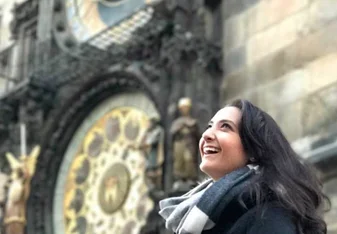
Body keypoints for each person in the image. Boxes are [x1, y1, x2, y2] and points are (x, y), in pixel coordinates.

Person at [159, 99, 328, 234]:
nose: (206, 135)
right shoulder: (205, 216)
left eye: (225, 127)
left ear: (254, 149)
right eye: (209, 126)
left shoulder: (269, 216)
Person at [170, 97, 199, 189]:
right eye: (183, 108)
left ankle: (191, 178)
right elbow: (172, 133)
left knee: (189, 159)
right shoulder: (177, 122)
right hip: (179, 143)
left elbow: (198, 134)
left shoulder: (193, 121)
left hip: (189, 143)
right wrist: (180, 127)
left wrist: (190, 127)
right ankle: (180, 179)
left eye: (186, 107)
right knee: (179, 161)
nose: (184, 110)